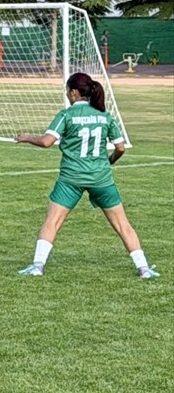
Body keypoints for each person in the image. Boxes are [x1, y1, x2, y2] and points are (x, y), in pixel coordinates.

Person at [15, 72, 157, 280]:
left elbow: (47, 141)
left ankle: (37, 266)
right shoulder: (105, 116)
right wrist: (109, 161)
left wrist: (27, 137)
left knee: (53, 221)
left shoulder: (66, 115)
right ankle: (144, 269)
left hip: (71, 178)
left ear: (73, 92)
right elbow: (120, 148)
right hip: (101, 178)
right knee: (122, 224)